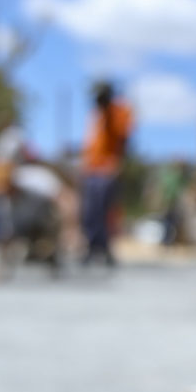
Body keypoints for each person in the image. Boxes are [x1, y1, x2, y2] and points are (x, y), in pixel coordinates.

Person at [78, 80, 133, 267]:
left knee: (104, 211)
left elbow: (124, 139)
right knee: (89, 212)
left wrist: (118, 163)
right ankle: (92, 247)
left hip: (107, 169)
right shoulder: (96, 114)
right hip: (91, 169)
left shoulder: (119, 111)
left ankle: (105, 248)